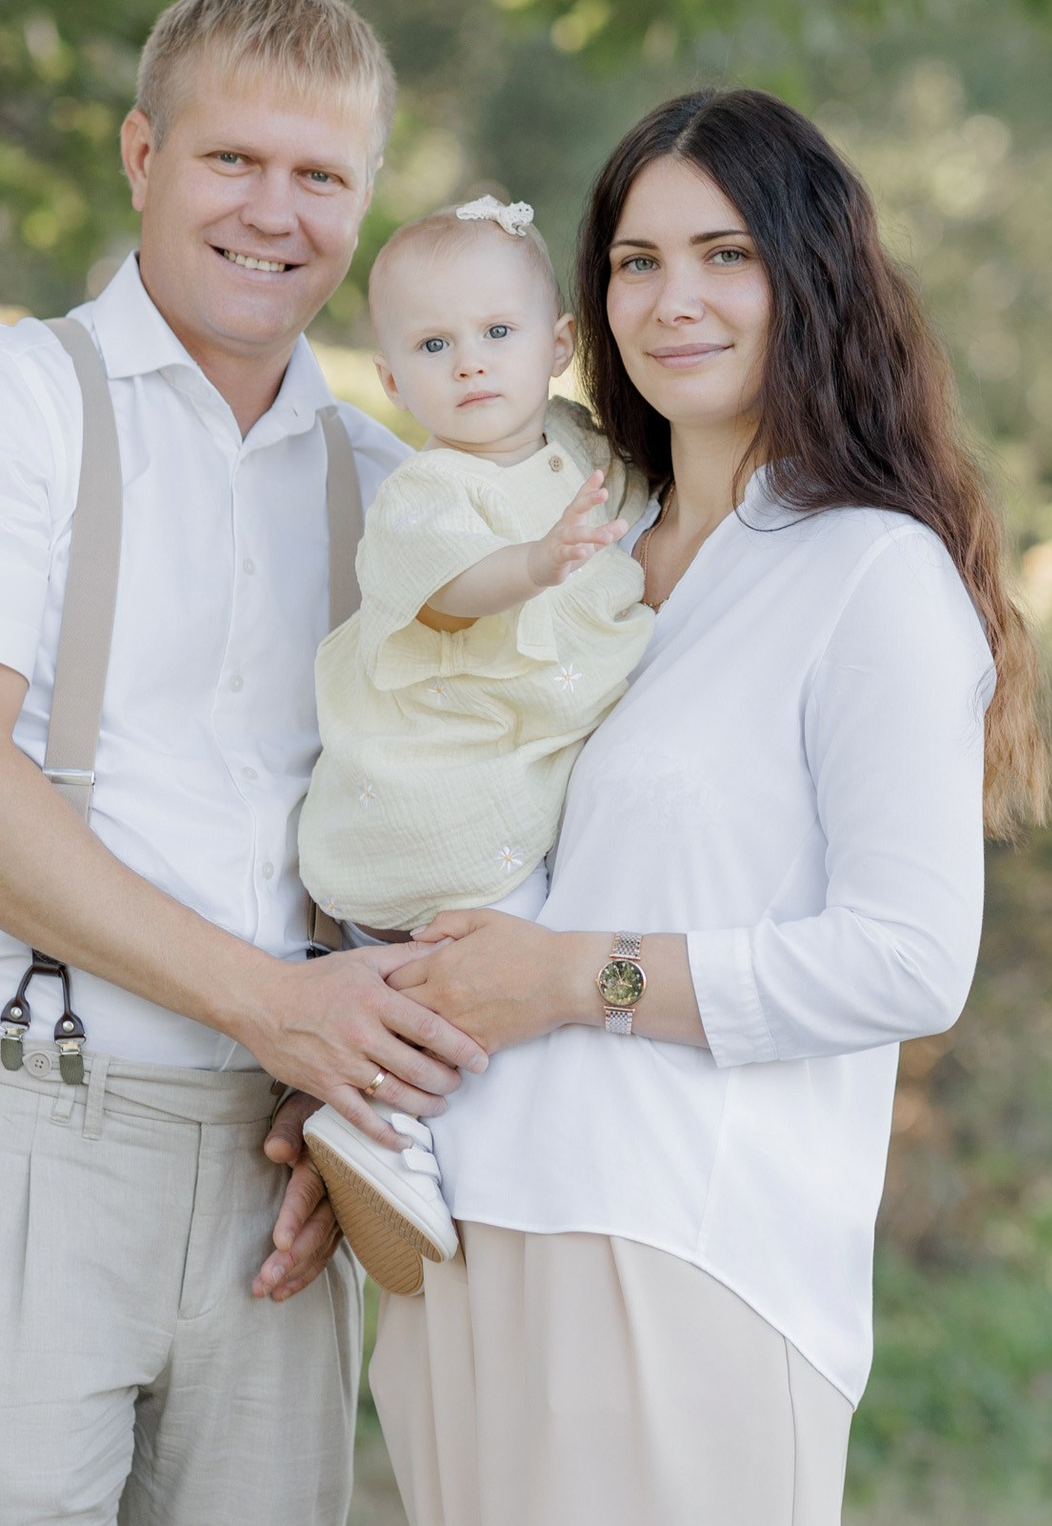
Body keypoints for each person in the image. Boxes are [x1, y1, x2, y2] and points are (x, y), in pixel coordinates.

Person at [0, 0, 490, 1526]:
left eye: (321, 176)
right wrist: (279, 1003)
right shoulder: (0, 403)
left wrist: (352, 1110)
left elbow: (431, 816)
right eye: (232, 161)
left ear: (365, 200)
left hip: (279, 1159)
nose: (277, 212)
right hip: (16, 1110)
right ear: (142, 157)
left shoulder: (394, 485)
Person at [362, 88, 1052, 1525]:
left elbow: (908, 960)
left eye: (724, 254)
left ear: (808, 276)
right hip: (469, 1228)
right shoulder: (575, 548)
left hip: (686, 1251)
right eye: (636, 260)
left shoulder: (867, 573)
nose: (675, 297)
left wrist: (574, 977)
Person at [293, 195, 654, 1296]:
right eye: (434, 346)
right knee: (502, 954)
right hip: (437, 794)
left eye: (497, 335)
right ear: (394, 381)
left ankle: (396, 1118)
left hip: (506, 768)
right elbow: (453, 594)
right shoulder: (427, 491)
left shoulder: (575, 446)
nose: (471, 365)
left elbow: (641, 497)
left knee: (505, 954)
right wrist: (535, 568)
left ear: (556, 348)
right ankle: (386, 1125)